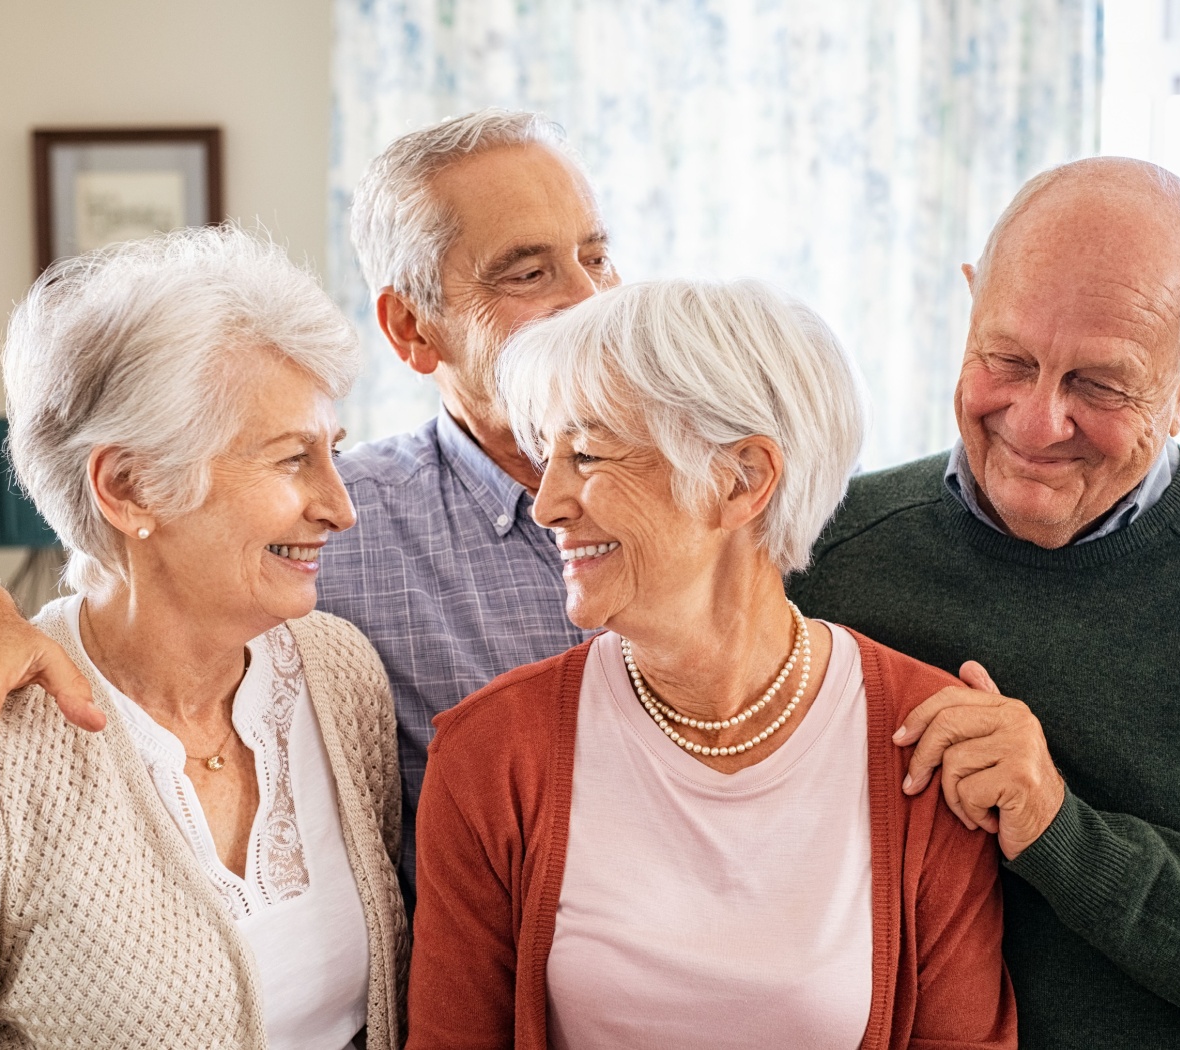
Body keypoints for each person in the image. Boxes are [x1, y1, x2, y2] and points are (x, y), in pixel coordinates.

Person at [0, 111, 1180, 904]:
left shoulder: (794, 532)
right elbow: (132, 599)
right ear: (412, 331)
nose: (592, 295)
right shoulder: (335, 539)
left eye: (597, 252)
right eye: (528, 273)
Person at [788, 158, 1180, 1048]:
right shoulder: (819, 554)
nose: (1035, 424)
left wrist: (1061, 833)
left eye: (1099, 386)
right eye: (1008, 359)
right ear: (968, 306)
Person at [0, 227, 407, 1050]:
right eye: (291, 460)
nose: (340, 506)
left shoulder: (339, 673)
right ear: (130, 488)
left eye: (331, 453)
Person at [409, 278, 1014, 1049]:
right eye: (547, 456)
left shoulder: (925, 742)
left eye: (587, 453)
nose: (547, 502)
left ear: (743, 480)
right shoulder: (492, 753)